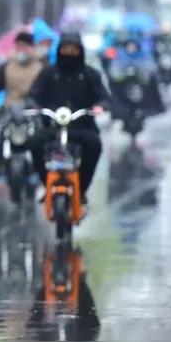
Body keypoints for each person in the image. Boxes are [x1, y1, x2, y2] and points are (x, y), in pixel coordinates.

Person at [27, 32, 109, 209]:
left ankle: (81, 189)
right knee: (34, 143)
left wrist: (99, 106)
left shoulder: (90, 74)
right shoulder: (48, 72)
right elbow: (34, 94)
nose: (69, 53)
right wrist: (35, 106)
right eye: (65, 49)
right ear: (59, 50)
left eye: (73, 50)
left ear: (80, 51)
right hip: (52, 126)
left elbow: (103, 96)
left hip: (82, 126)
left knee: (94, 145)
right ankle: (45, 183)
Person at [0, 32, 45, 159]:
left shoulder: (43, 66)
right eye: (18, 47)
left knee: (42, 140)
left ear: (32, 47)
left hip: (34, 112)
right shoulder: (7, 65)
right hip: (8, 110)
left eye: (25, 47)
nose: (21, 50)